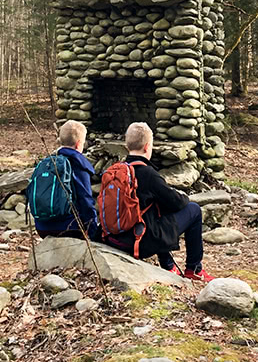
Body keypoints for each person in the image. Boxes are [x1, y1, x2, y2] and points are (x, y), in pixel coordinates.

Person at [104, 121, 215, 282]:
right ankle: (194, 268)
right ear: (148, 146)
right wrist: (184, 197)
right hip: (138, 241)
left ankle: (168, 265)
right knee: (194, 210)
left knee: (154, 211)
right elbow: (175, 202)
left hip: (115, 237)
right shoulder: (148, 173)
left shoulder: (116, 170)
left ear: (127, 145)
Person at [32, 120, 98, 239]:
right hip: (68, 228)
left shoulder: (48, 162)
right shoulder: (78, 165)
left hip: (41, 227)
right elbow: (86, 201)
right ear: (78, 144)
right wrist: (93, 231)